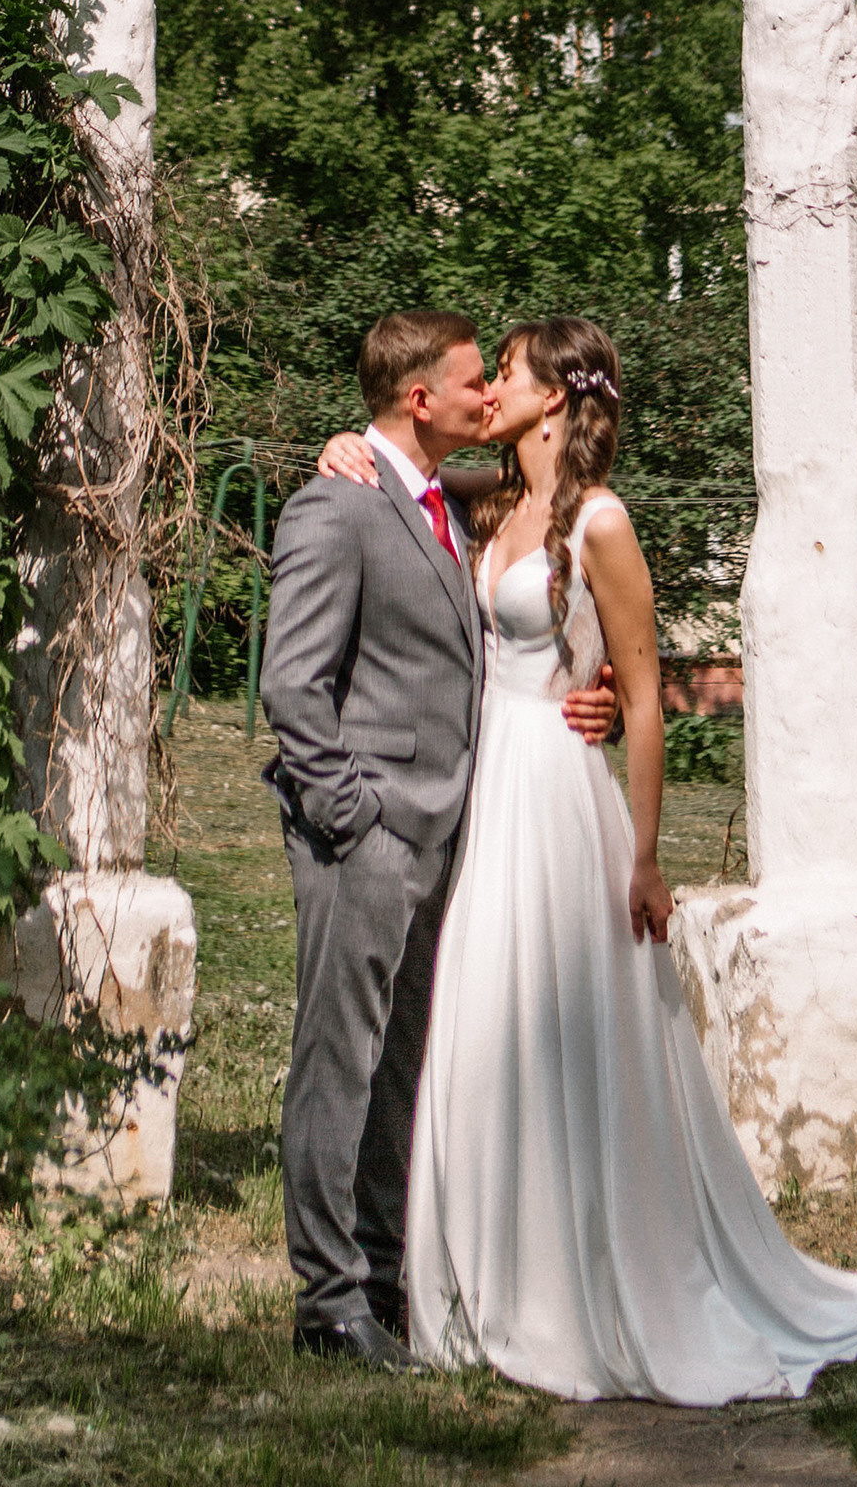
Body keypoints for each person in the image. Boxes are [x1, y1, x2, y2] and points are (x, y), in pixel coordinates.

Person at [316, 316, 857, 1401]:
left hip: (557, 799)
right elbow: (394, 501)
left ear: (556, 396)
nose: (488, 385)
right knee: (476, 1023)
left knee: (566, 1028)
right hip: (482, 793)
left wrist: (643, 858)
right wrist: (337, 450)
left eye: (507, 370)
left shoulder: (601, 522)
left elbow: (641, 702)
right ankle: (475, 1280)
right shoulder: (484, 507)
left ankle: (582, 1278)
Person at [258, 310, 617, 1369]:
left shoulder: (436, 499)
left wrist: (586, 687)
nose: (485, 396)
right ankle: (326, 1303)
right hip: (367, 833)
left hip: (442, 832)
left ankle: (382, 1277)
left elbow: (535, 503)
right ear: (421, 399)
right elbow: (291, 681)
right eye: (472, 382)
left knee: (399, 1067)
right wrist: (348, 816)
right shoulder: (336, 505)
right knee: (338, 1063)